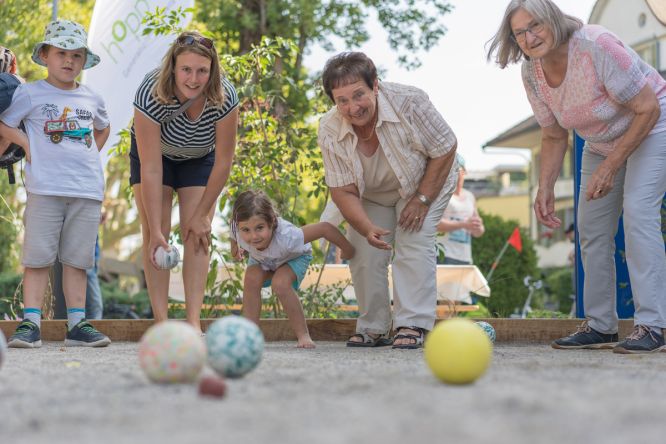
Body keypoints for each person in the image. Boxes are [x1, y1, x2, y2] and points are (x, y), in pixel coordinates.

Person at [488, 0, 666, 353]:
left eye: (535, 25)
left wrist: (612, 164)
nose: (529, 37)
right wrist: (545, 187)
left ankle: (653, 325)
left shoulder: (596, 45)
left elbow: (648, 107)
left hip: (651, 127)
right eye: (519, 32)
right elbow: (553, 134)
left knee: (638, 215)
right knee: (591, 229)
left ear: (553, 17)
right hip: (601, 142)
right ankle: (601, 326)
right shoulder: (532, 72)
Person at [318, 52, 458, 349]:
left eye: (359, 95)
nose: (353, 108)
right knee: (363, 250)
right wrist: (366, 227)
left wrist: (421, 199)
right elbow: (342, 190)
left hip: (425, 179)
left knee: (413, 239)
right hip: (371, 194)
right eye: (342, 100)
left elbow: (446, 147)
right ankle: (373, 327)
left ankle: (412, 324)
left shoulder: (410, 102)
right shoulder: (329, 129)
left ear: (375, 86)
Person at [0, 20, 112, 347]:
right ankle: (31, 323)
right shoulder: (30, 92)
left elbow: (102, 128)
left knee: (77, 261)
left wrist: (88, 154)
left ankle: (77, 324)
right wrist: (27, 143)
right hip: (44, 191)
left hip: (87, 191)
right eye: (61, 53)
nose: (69, 61)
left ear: (84, 61)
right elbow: (4, 125)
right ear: (45, 55)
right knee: (37, 258)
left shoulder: (92, 97)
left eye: (77, 55)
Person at [131, 31, 239, 334]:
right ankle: (162, 324)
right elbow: (151, 168)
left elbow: (224, 161)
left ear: (212, 70)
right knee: (158, 233)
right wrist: (154, 231)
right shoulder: (150, 93)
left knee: (197, 232)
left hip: (199, 158)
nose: (194, 79)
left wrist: (204, 214)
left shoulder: (225, 96)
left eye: (202, 71)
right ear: (173, 68)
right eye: (186, 70)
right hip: (155, 158)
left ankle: (193, 321)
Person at [230, 190, 355, 348]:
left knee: (280, 283)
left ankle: (303, 335)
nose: (253, 236)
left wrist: (348, 249)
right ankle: (250, 335)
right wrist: (234, 249)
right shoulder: (238, 225)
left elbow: (325, 229)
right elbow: (233, 233)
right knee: (251, 278)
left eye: (259, 228)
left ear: (272, 222)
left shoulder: (289, 237)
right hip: (265, 261)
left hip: (294, 257)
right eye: (246, 230)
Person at [436, 154, 484, 265]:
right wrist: (464, 224)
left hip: (465, 257)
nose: (452, 174)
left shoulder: (470, 196)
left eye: (456, 169)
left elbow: (478, 231)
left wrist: (478, 227)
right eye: (449, 170)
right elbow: (435, 224)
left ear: (464, 172)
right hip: (444, 255)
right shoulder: (441, 195)